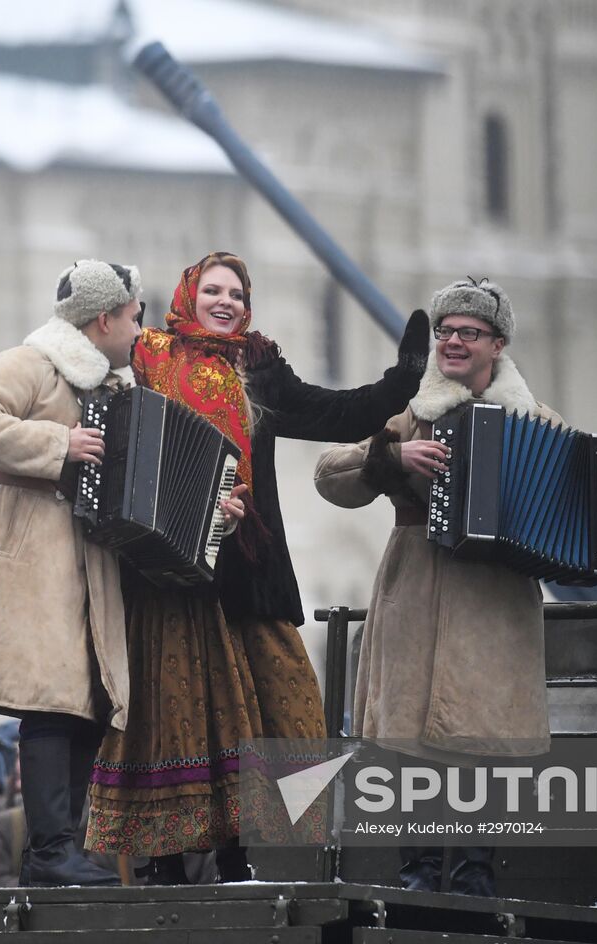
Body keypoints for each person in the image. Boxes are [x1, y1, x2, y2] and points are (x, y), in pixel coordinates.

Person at [86, 251, 430, 883]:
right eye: (214, 290)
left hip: (248, 568)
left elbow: (339, 412)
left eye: (237, 293)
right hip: (165, 571)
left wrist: (403, 377)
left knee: (280, 707)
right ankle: (165, 861)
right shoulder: (144, 360)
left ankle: (241, 854)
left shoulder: (260, 371)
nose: (227, 302)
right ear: (188, 296)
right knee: (174, 712)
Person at [314, 277, 597, 896]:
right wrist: (392, 457)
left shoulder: (539, 422)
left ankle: (473, 875)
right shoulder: (414, 415)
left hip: (496, 606)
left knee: (483, 745)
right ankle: (414, 873)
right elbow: (330, 476)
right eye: (445, 332)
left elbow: (587, 514)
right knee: (409, 743)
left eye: (469, 332)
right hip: (416, 592)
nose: (453, 343)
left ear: (497, 344)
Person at [0, 259, 144, 887]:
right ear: (104, 318)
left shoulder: (116, 384)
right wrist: (58, 446)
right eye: (133, 317)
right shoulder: (31, 362)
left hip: (87, 559)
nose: (138, 330)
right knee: (51, 700)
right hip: (33, 556)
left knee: (85, 702)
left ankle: (61, 848)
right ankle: (49, 853)